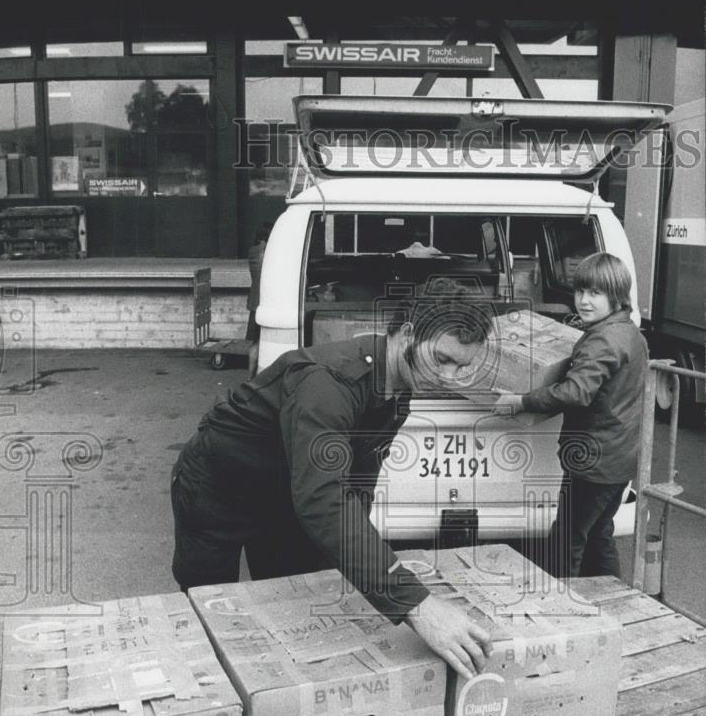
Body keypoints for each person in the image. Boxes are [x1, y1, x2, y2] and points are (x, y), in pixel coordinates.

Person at [171, 295, 494, 679]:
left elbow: (356, 484)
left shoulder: (398, 387)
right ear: (408, 334)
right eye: (442, 359)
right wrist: (417, 605)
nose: (449, 378)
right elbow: (324, 499)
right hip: (219, 490)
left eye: (463, 367)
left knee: (290, 604)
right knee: (210, 612)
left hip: (286, 494)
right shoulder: (330, 382)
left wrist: (361, 563)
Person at [493, 252, 648, 579]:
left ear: (616, 296)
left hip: (594, 461)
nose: (584, 301)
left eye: (595, 293)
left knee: (568, 539)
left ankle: (561, 610)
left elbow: (576, 392)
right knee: (598, 534)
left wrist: (522, 400)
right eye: (580, 291)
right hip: (621, 458)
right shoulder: (629, 332)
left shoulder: (602, 340)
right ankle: (612, 600)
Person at [246, 223, 271, 342]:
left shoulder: (252, 251)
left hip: (254, 297)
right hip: (265, 297)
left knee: (252, 337)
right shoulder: (269, 251)